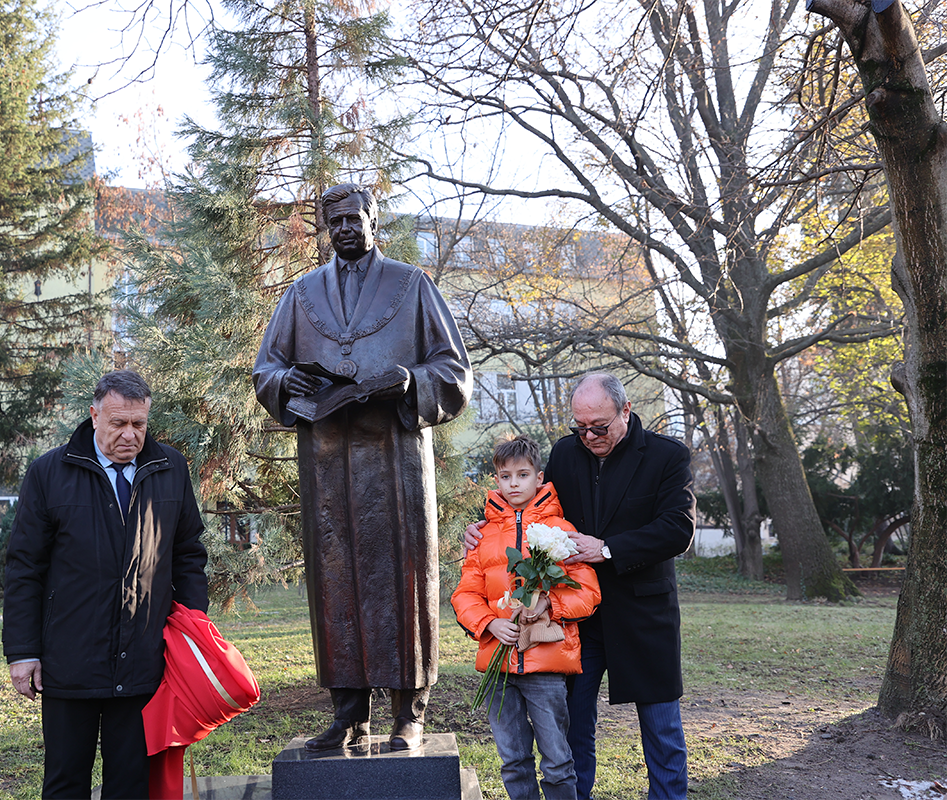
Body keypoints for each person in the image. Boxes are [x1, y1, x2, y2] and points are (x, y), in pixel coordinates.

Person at [253, 182, 472, 751]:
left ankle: (409, 713)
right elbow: (267, 370)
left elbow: (454, 371)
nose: (345, 228)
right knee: (336, 584)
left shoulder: (412, 285)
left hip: (395, 458)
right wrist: (286, 382)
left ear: (373, 219)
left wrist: (411, 380)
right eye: (335, 222)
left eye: (354, 218)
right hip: (328, 463)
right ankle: (349, 712)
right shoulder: (301, 295)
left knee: (403, 581)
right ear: (326, 229)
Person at [465, 373, 696, 800]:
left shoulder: (667, 456)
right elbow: (534, 505)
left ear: (625, 411)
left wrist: (607, 548)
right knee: (572, 728)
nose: (589, 436)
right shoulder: (566, 453)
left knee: (661, 729)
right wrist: (485, 528)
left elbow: (677, 528)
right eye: (580, 427)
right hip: (573, 619)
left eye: (599, 427)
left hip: (644, 614)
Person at [3, 369, 208, 800]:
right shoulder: (48, 472)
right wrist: (23, 652)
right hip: (69, 661)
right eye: (118, 423)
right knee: (65, 782)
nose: (130, 435)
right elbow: (25, 567)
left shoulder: (170, 468)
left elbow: (188, 554)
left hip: (143, 662)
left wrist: (193, 632)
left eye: (139, 424)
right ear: (94, 416)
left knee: (131, 785)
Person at [452, 435, 601, 800]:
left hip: (546, 668)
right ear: (497, 480)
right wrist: (489, 623)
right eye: (505, 476)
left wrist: (549, 606)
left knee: (556, 761)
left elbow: (588, 592)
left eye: (522, 475)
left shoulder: (560, 531)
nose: (514, 484)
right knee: (513, 760)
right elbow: (465, 594)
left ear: (539, 477)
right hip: (498, 669)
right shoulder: (483, 536)